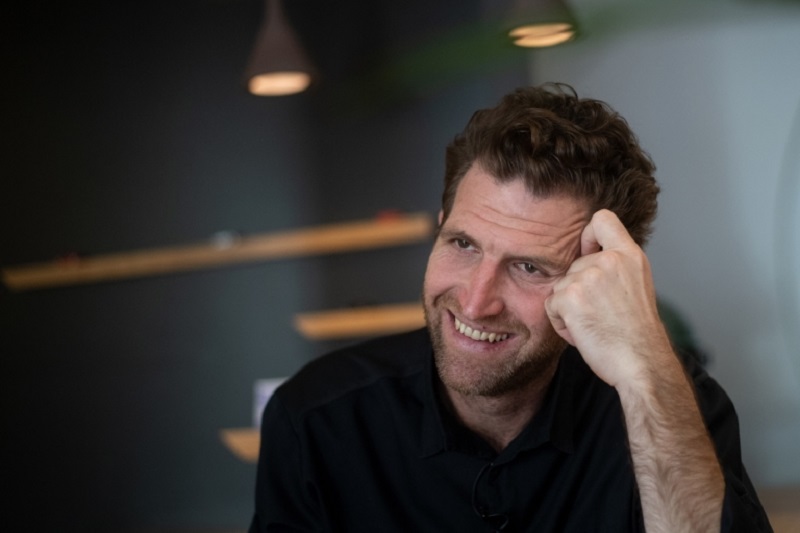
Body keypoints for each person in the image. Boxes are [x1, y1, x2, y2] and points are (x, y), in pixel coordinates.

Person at [249, 84, 772, 532]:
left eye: (529, 268)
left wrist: (645, 378)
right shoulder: (316, 420)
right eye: (463, 245)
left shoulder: (672, 405)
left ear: (598, 277)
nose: (476, 302)